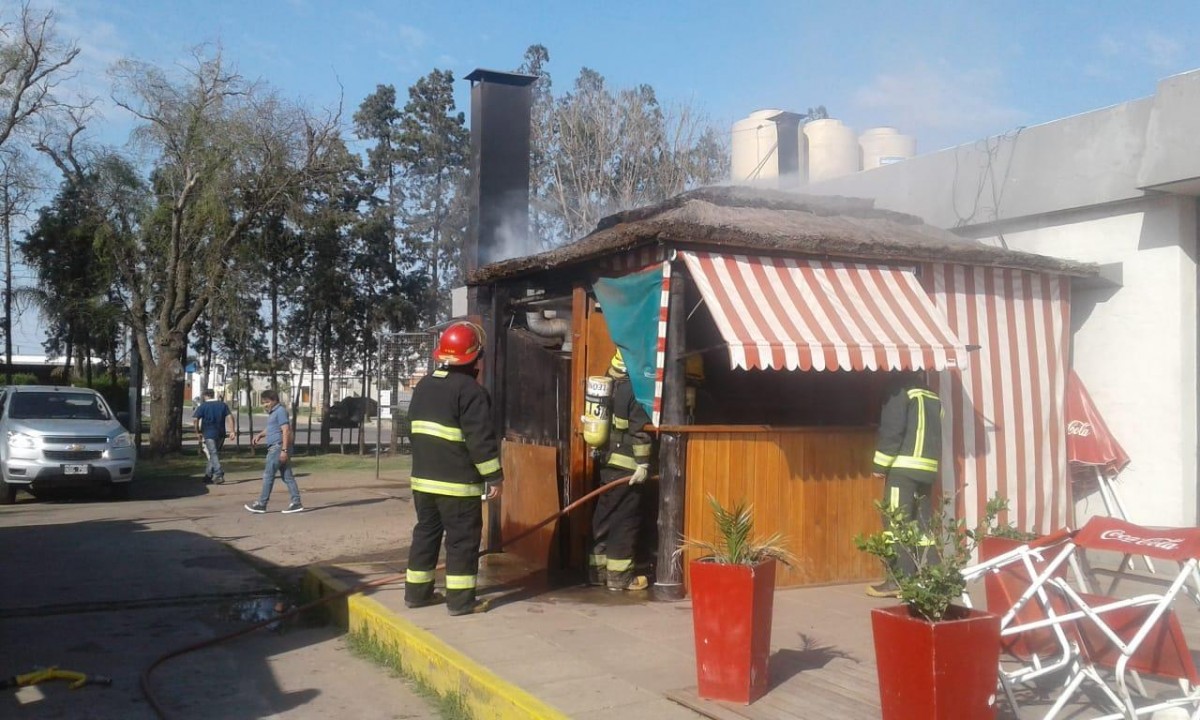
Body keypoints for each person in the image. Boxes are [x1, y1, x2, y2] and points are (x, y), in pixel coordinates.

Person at [404, 321, 503, 616]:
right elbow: (480, 440)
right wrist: (493, 476)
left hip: (423, 481)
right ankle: (461, 602)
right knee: (462, 541)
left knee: (425, 535)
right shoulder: (471, 391)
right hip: (457, 486)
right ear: (474, 356)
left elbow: (413, 429)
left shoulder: (424, 385)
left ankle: (417, 594)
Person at [866, 371, 943, 598]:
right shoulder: (931, 394)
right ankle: (929, 576)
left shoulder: (899, 390)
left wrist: (880, 465)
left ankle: (899, 581)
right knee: (922, 525)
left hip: (904, 469)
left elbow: (893, 431)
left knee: (896, 522)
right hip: (927, 469)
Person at [588, 349, 653, 592]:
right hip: (627, 466)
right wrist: (644, 463)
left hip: (607, 464)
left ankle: (597, 572)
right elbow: (638, 432)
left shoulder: (607, 387)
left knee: (604, 516)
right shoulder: (635, 391)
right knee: (625, 521)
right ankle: (620, 577)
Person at [244, 389, 304, 514]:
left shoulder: (280, 411)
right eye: (263, 402)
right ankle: (296, 502)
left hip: (277, 447)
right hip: (277, 447)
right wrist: (260, 435)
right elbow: (272, 428)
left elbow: (286, 430)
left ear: (274, 400)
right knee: (287, 476)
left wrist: (284, 450)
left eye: (266, 402)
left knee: (268, 475)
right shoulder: (274, 413)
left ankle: (262, 503)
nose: (265, 405)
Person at [193, 389, 235, 484]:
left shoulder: (203, 406)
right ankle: (208, 476)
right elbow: (230, 417)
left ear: (205, 396)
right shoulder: (222, 405)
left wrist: (197, 432)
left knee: (213, 453)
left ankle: (219, 474)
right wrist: (232, 430)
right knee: (214, 454)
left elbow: (195, 419)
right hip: (220, 433)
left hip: (208, 433)